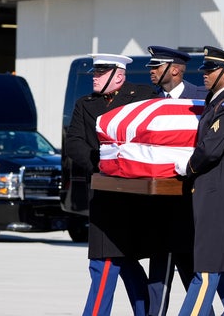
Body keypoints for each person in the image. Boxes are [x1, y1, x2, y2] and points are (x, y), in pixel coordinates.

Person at [64, 53, 158, 316]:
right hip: (104, 192)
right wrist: (101, 164)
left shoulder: (141, 96)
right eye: (94, 73)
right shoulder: (85, 104)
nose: (94, 77)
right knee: (104, 262)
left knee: (126, 261)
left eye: (100, 73)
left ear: (118, 75)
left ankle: (147, 310)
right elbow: (74, 142)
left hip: (135, 195)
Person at [174, 47, 224, 316]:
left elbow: (211, 149)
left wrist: (189, 165)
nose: (205, 75)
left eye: (211, 70)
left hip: (217, 186)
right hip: (214, 185)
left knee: (207, 268)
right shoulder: (216, 103)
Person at [145, 45, 207, 316]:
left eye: (156, 66)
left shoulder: (202, 98)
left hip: (191, 198)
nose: (151, 71)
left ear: (175, 70)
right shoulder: (150, 99)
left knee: (195, 271)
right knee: (159, 270)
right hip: (159, 199)